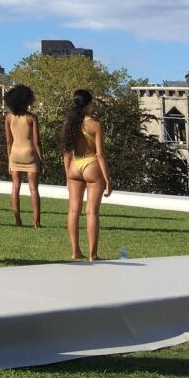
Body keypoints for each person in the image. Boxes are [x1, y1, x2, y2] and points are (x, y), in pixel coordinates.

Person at [62, 89, 112, 261]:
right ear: (89, 104)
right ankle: (93, 254)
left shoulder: (69, 123)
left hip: (74, 166)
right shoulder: (95, 125)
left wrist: (67, 176)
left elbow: (67, 153)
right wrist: (107, 178)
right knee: (92, 211)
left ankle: (75, 250)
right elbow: (100, 154)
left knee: (73, 210)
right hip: (91, 165)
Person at [4, 84, 42, 228]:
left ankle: (17, 220)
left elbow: (8, 141)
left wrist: (9, 160)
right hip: (30, 154)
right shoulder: (32, 118)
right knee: (33, 189)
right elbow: (37, 142)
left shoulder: (8, 118)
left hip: (15, 154)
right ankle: (36, 222)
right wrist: (41, 159)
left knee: (15, 188)